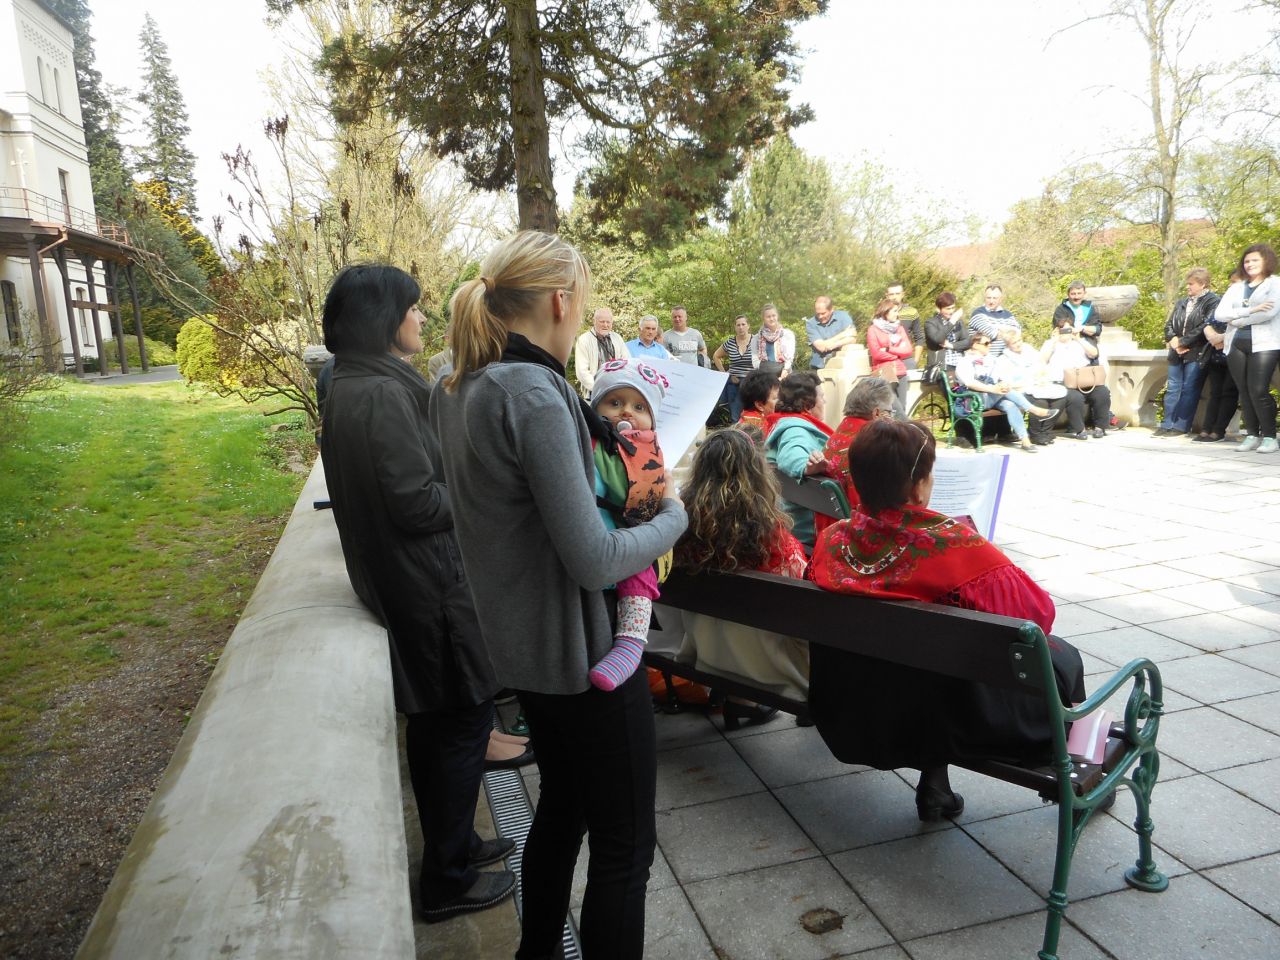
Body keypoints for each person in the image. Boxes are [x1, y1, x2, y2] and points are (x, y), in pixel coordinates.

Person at [430, 231, 687, 960]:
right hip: (587, 659)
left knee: (562, 811)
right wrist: (673, 516)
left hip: (525, 652)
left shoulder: (456, 383)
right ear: (559, 301)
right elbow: (594, 559)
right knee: (624, 847)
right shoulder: (532, 392)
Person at [318, 265, 512, 922]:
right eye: (411, 308)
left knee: (442, 722)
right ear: (383, 319)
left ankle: (460, 846)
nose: (421, 318)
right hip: (427, 585)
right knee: (460, 721)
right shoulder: (381, 394)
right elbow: (415, 502)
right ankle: (447, 880)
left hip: (409, 580)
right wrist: (478, 489)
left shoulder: (352, 381)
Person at [807, 418, 1086, 821]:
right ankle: (1074, 771)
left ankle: (936, 784)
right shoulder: (955, 544)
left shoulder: (832, 539)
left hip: (855, 708)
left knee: (926, 660)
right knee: (1063, 657)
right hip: (956, 718)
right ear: (918, 486)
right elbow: (1037, 616)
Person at [674, 429, 810, 713]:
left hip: (709, 657)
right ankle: (743, 701)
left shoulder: (683, 535)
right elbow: (803, 616)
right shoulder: (777, 543)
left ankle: (738, 699)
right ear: (759, 475)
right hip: (771, 667)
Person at [587, 359, 671, 691]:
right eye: (614, 402)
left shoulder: (646, 448)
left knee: (638, 580)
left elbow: (630, 493)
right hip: (599, 541)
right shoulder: (594, 442)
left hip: (630, 540)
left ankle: (631, 642)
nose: (626, 412)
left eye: (639, 407)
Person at [1216, 243, 1280, 453]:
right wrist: (1250, 311)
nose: (1250, 264)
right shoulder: (1236, 287)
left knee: (1258, 390)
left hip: (1265, 343)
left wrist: (1236, 318)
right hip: (1236, 343)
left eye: (1255, 260)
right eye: (1246, 261)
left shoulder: (1275, 284)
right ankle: (1252, 435)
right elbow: (1220, 314)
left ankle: (1270, 437)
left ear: (1266, 261)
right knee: (1243, 391)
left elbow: (1268, 313)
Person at [764, 372, 833, 547]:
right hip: (806, 532)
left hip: (793, 524)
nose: (825, 401)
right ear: (808, 405)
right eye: (822, 397)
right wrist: (806, 467)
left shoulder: (784, 423)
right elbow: (790, 456)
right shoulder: (795, 429)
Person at [954, 335, 1057, 452]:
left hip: (991, 396)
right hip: (973, 399)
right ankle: (1034, 410)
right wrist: (993, 389)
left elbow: (1000, 377)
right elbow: (970, 383)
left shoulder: (991, 359)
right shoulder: (965, 362)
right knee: (1006, 391)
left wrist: (1003, 384)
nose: (990, 345)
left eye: (990, 342)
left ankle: (1026, 442)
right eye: (986, 343)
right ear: (975, 345)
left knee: (1010, 405)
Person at [1154, 268, 1219, 438]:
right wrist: (1173, 340)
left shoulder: (1213, 301)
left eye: (1191, 284)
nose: (1187, 287)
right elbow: (1169, 324)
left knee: (1189, 388)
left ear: (1202, 284)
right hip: (1176, 351)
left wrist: (1183, 342)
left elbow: (1205, 326)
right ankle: (1167, 424)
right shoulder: (1182, 302)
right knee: (1173, 388)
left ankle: (1181, 426)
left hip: (1197, 351)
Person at [824, 376, 896, 510]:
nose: (892, 419)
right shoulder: (871, 445)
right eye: (890, 412)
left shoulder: (837, 436)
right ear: (876, 413)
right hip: (856, 518)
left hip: (831, 517)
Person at [1041, 319, 1113, 440]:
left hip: (1083, 380)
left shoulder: (1080, 342)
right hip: (1063, 382)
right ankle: (1079, 429)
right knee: (1075, 398)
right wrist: (1054, 340)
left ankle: (1100, 427)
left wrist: (1078, 338)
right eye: (1063, 330)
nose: (1066, 333)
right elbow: (1042, 359)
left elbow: (1094, 353)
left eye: (1068, 329)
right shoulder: (1050, 343)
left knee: (1102, 393)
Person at [997, 329, 1065, 446]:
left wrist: (1041, 378)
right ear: (1008, 345)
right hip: (1019, 390)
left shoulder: (1028, 350)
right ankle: (1035, 434)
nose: (1018, 344)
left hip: (1036, 385)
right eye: (1014, 343)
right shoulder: (1003, 360)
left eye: (1019, 340)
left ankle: (1045, 431)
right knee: (1040, 401)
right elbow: (1006, 383)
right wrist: (1026, 383)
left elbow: (1041, 363)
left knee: (1061, 398)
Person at [1195, 270, 1237, 442]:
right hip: (1216, 354)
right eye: (1230, 281)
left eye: (1235, 281)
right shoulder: (1224, 301)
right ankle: (1206, 428)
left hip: (1235, 354)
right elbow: (1208, 323)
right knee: (1215, 393)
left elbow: (1245, 328)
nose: (1230, 285)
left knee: (1229, 392)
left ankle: (1218, 431)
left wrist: (1223, 338)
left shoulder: (1247, 303)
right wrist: (1213, 337)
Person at [865, 298, 915, 411]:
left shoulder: (899, 328)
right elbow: (876, 354)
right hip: (884, 371)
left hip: (901, 371)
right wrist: (898, 354)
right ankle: (904, 422)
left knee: (902, 407)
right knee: (894, 407)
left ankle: (902, 423)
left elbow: (908, 350)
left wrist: (889, 349)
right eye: (894, 311)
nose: (897, 314)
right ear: (885, 312)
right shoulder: (873, 329)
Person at [574, 307, 631, 398]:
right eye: (602, 321)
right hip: (593, 393)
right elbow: (582, 372)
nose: (605, 325)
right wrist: (599, 389)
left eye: (608, 322)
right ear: (594, 321)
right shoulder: (584, 340)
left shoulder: (617, 338)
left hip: (616, 391)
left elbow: (627, 363)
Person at [713, 314, 758, 421]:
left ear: (748, 326)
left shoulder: (756, 341)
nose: (741, 327)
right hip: (734, 382)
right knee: (735, 416)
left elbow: (763, 359)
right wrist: (726, 374)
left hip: (752, 383)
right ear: (735, 327)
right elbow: (716, 356)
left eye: (743, 324)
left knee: (752, 414)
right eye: (738, 325)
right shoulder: (730, 342)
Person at [923, 291, 972, 377]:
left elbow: (968, 342)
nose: (951, 311)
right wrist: (952, 322)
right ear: (938, 309)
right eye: (948, 309)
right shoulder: (930, 323)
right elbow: (938, 339)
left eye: (953, 308)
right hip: (941, 366)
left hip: (959, 364)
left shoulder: (958, 322)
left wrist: (951, 345)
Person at [1052, 281, 1103, 362]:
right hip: (1067, 342)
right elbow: (1059, 329)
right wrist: (1074, 332)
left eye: (1079, 293)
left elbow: (1097, 329)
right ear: (1068, 294)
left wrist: (1082, 328)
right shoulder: (1061, 309)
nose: (1076, 297)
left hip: (1088, 341)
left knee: (1093, 354)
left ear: (1084, 294)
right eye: (1073, 294)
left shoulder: (1090, 308)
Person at [806, 295, 858, 370]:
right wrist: (843, 334)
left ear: (831, 310)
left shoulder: (843, 316)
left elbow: (852, 338)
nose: (820, 316)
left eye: (823, 313)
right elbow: (821, 347)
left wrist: (833, 345)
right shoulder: (811, 323)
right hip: (820, 367)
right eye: (818, 313)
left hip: (843, 364)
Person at [968, 284, 1021, 357]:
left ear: (1001, 299)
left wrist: (1001, 331)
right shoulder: (978, 314)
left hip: (1006, 358)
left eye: (995, 298)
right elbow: (991, 333)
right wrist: (1007, 332)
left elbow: (1017, 333)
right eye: (988, 298)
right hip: (983, 359)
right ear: (984, 298)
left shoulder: (1008, 315)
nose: (991, 301)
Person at [886, 280, 925, 367]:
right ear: (887, 296)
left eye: (897, 293)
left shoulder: (912, 312)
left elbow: (919, 338)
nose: (894, 297)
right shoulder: (880, 314)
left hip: (907, 360)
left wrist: (915, 361)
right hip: (887, 360)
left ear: (903, 294)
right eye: (891, 294)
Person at [753, 303, 796, 378]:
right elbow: (755, 361)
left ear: (777, 316)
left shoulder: (788, 334)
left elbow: (790, 358)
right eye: (768, 317)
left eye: (773, 315)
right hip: (764, 376)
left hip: (784, 374)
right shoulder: (756, 338)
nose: (772, 319)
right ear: (763, 318)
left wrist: (785, 370)